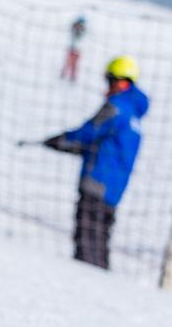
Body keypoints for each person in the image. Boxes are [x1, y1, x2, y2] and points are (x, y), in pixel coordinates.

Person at [42, 57, 149, 270]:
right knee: (100, 244)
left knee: (86, 242)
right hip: (114, 191)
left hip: (96, 182)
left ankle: (86, 289)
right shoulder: (135, 118)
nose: (108, 87)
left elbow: (88, 134)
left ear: (121, 81)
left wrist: (60, 140)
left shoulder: (116, 108)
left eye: (110, 81)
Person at [60, 16, 87, 82]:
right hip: (72, 49)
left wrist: (79, 30)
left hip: (78, 51)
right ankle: (63, 74)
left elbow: (80, 37)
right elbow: (72, 31)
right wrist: (75, 26)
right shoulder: (74, 30)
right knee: (67, 63)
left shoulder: (83, 31)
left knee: (75, 65)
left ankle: (73, 77)